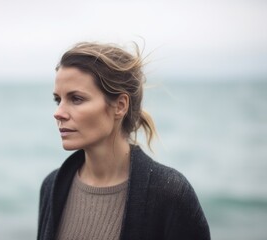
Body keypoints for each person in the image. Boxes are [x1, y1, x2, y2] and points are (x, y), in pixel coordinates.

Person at [37, 42, 210, 240]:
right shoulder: (52, 187)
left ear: (120, 105)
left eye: (76, 99)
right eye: (58, 100)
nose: (58, 113)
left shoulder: (171, 194)